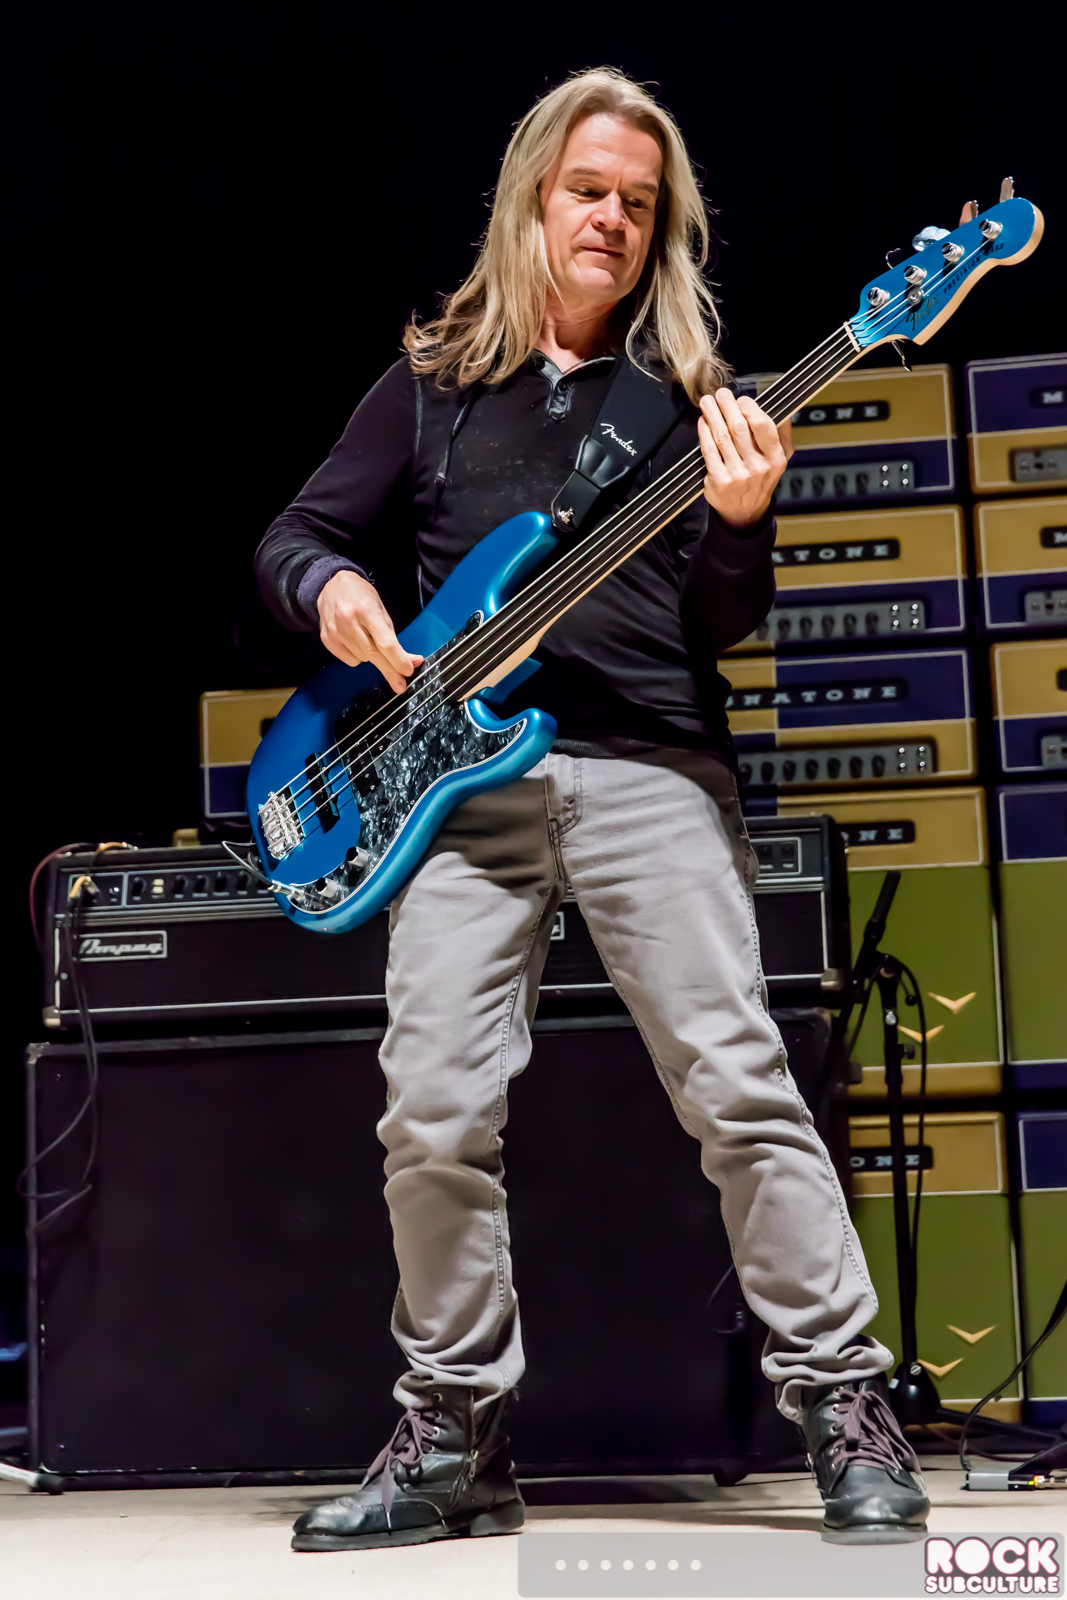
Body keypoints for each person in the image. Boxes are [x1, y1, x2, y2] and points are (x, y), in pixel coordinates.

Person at [255, 67, 929, 1551]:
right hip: (454, 787)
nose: (612, 217)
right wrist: (337, 588)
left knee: (740, 1084)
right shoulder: (432, 383)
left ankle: (844, 1404)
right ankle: (454, 1432)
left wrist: (742, 522)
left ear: (661, 227)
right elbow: (295, 536)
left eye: (638, 201)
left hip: (649, 769)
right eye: (587, 190)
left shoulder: (690, 401)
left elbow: (722, 622)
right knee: (433, 1105)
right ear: (533, 202)